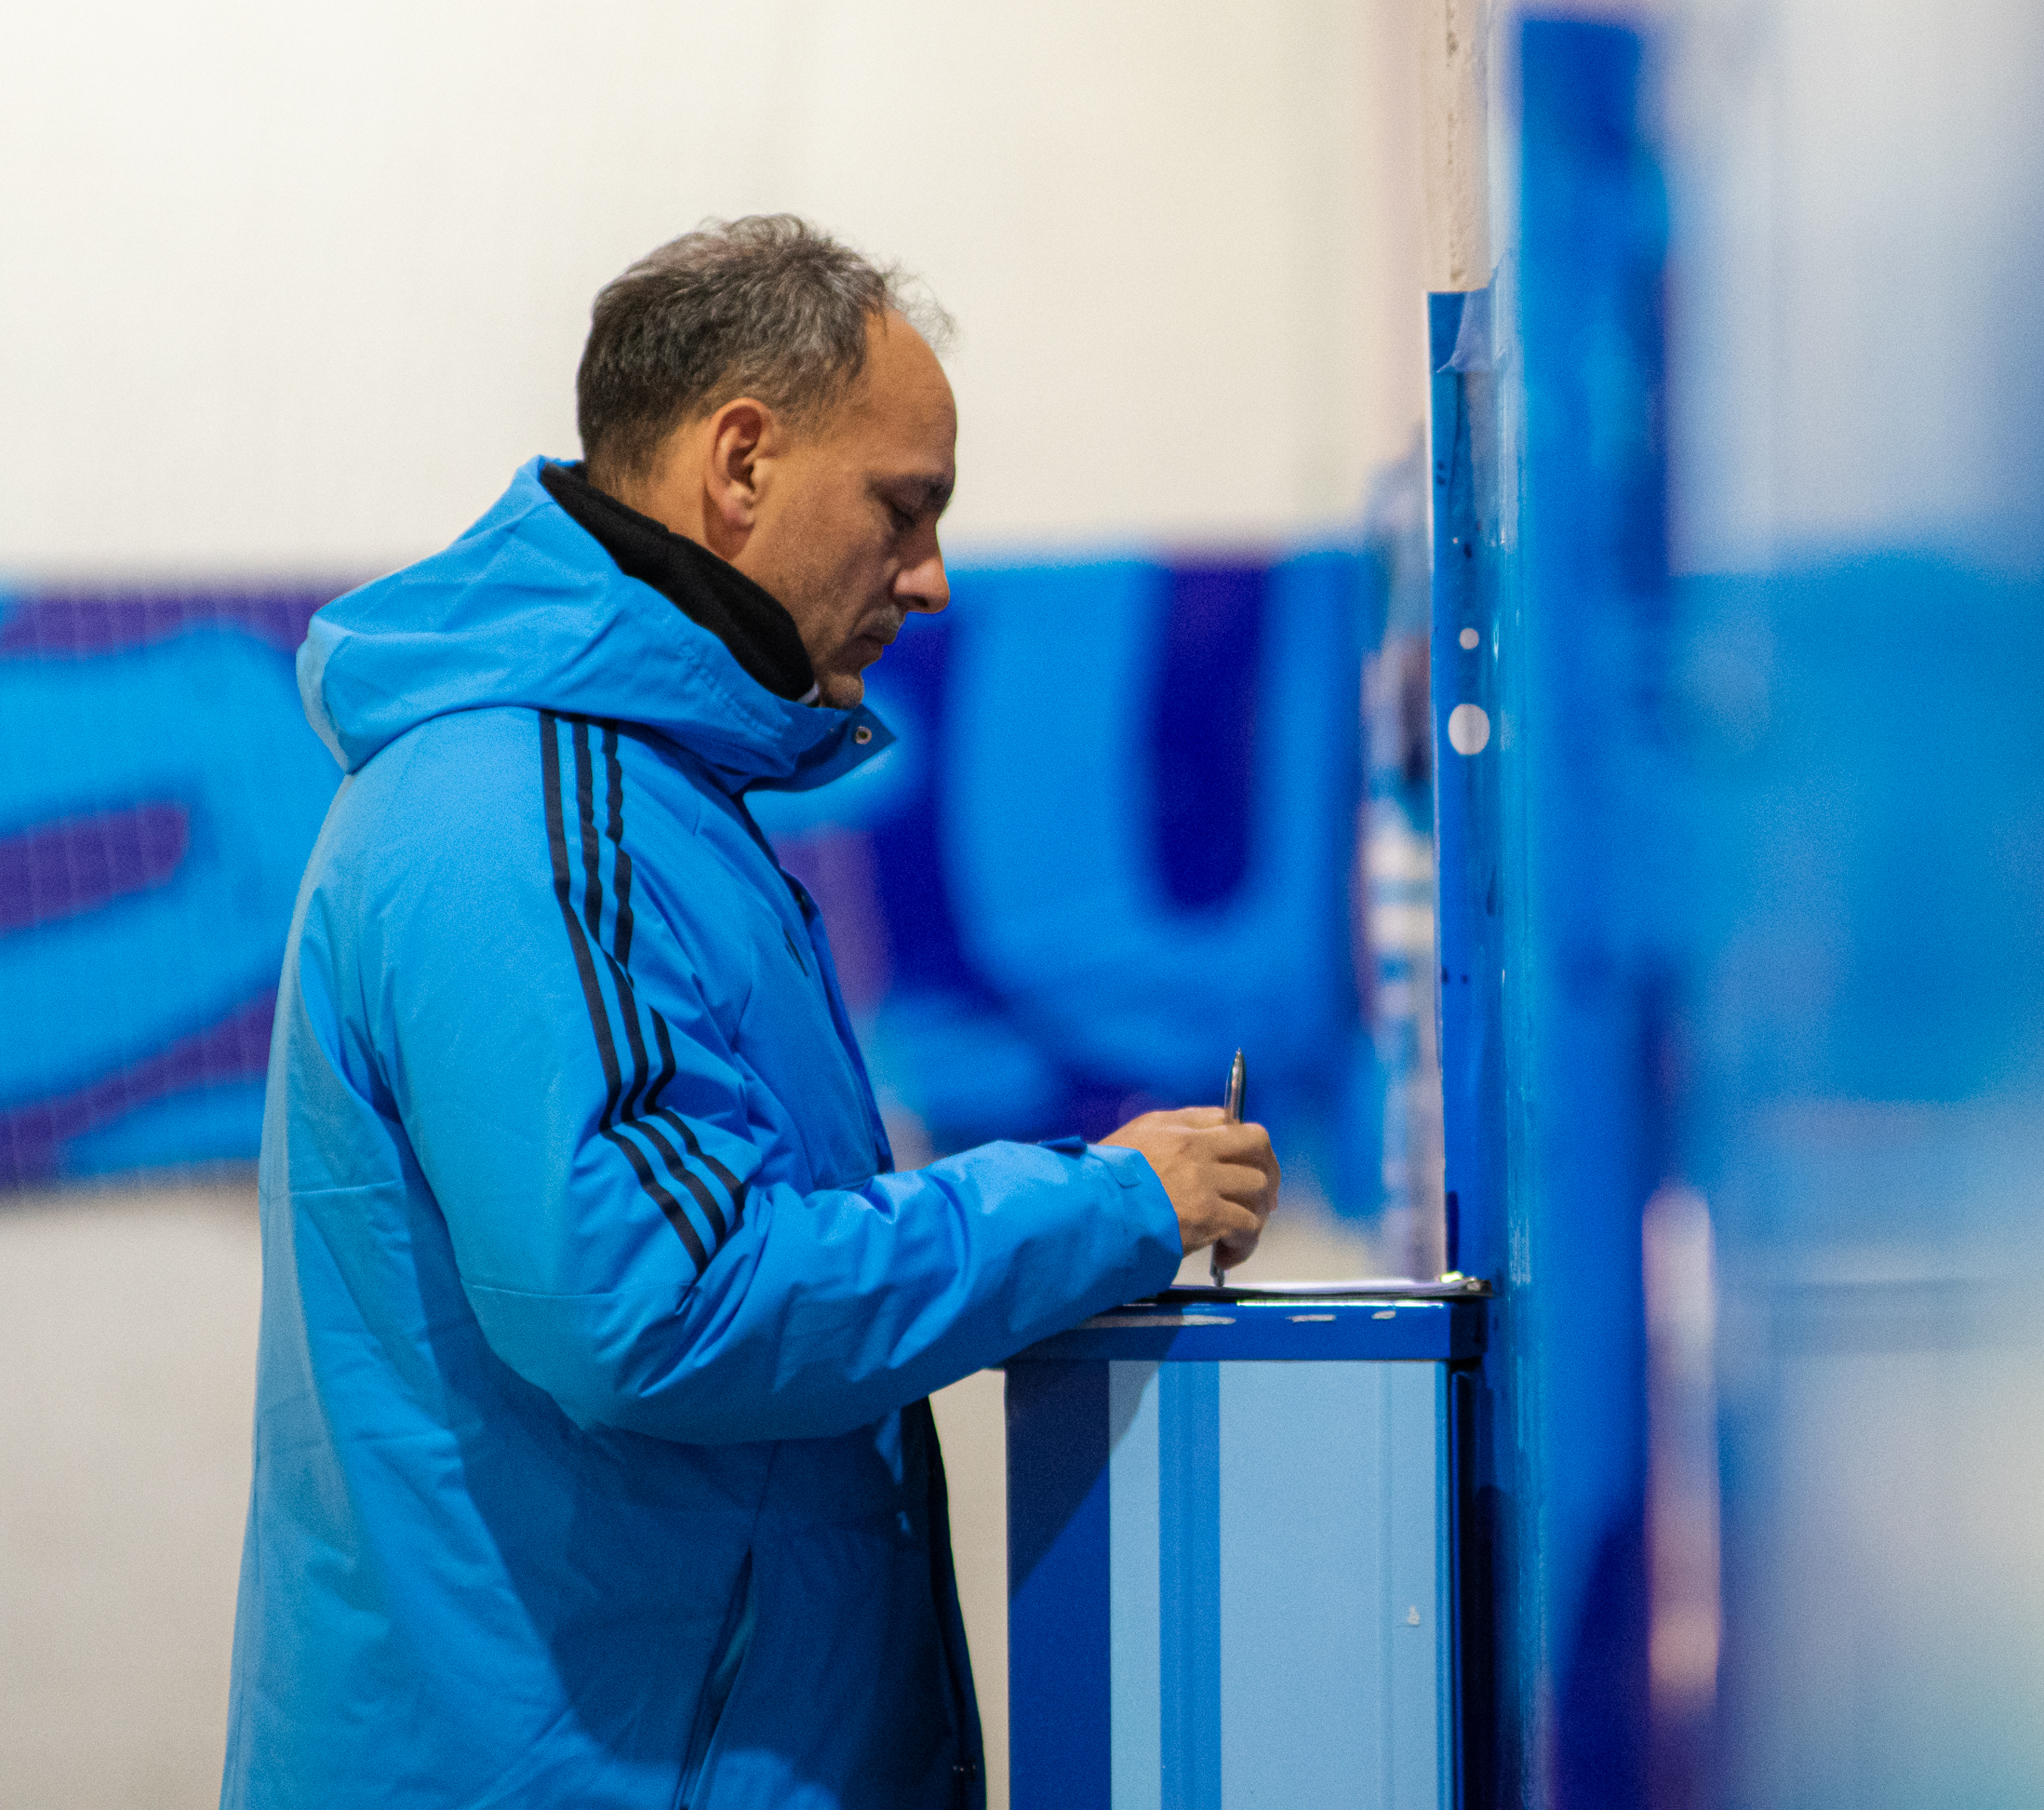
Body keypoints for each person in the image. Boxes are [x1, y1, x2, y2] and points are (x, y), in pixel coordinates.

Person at [220, 216, 1280, 1809]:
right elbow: (664, 1305)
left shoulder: (638, 795)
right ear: (741, 462)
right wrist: (1108, 1206)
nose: (926, 579)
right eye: (903, 509)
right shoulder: (527, 812)